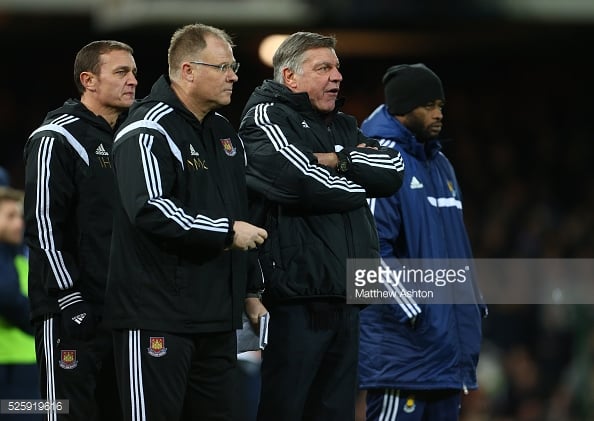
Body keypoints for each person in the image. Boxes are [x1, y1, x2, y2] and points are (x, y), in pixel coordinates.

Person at [103, 23, 268, 421]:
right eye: (223, 67)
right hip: (156, 317)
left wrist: (249, 290)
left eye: (234, 65)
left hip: (216, 319)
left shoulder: (225, 132)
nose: (234, 76)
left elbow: (240, 211)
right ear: (188, 71)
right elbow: (151, 208)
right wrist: (225, 233)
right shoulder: (147, 129)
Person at [238, 31, 405, 421]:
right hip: (296, 296)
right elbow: (300, 182)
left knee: (334, 412)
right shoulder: (265, 117)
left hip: (348, 293)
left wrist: (336, 160)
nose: (337, 77)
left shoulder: (344, 126)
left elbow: (393, 170)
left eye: (338, 68)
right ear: (291, 77)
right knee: (287, 408)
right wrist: (357, 181)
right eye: (324, 68)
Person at [357, 63, 487, 421]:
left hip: (445, 350)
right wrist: (417, 310)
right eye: (429, 105)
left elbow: (455, 248)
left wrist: (472, 300)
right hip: (402, 353)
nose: (438, 114)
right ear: (401, 108)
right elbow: (368, 253)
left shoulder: (441, 164)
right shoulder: (379, 160)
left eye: (441, 105)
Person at [23, 40, 138, 420]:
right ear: (88, 80)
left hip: (120, 311)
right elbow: (42, 225)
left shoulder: (129, 137)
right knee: (68, 413)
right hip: (68, 310)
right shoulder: (56, 136)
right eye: (121, 72)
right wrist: (69, 297)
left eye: (134, 72)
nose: (133, 81)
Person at [0, 186, 40, 421]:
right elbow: (7, 296)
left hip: (29, 365)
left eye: (19, 216)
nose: (19, 224)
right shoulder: (4, 259)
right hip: (11, 369)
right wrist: (39, 319)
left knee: (56, 409)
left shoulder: (19, 256)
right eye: (10, 216)